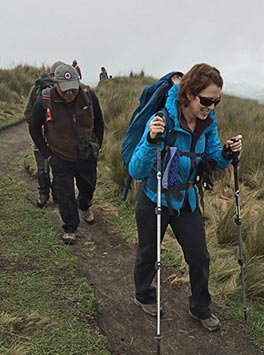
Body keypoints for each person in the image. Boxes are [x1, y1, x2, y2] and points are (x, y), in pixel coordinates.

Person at [128, 63, 242, 332]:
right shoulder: (161, 120)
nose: (211, 108)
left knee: (200, 257)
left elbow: (212, 159)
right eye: (206, 101)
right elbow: (136, 170)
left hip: (186, 199)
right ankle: (144, 294)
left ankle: (200, 307)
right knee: (148, 252)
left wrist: (226, 153)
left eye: (217, 101)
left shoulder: (207, 123)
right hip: (153, 197)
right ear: (190, 94)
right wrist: (150, 141)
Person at [29, 64, 104, 245]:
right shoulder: (44, 100)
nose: (70, 93)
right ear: (56, 84)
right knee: (65, 194)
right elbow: (34, 129)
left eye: (73, 87)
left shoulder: (88, 95)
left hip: (86, 155)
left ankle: (85, 205)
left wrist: (97, 146)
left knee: (88, 187)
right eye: (66, 89)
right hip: (59, 156)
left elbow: (100, 123)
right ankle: (70, 227)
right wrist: (48, 155)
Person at [24, 61, 64, 207]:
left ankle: (48, 195)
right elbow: (28, 112)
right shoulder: (38, 89)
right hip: (50, 138)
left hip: (50, 138)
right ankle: (50, 194)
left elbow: (27, 112)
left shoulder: (38, 89)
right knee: (49, 168)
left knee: (49, 168)